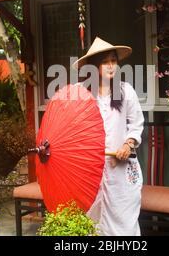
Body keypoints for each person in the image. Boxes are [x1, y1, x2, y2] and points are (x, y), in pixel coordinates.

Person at [72, 36, 144, 236]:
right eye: (105, 62)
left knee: (123, 221)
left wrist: (128, 145)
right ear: (94, 67)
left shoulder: (125, 91)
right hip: (90, 169)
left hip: (119, 166)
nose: (111, 66)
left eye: (114, 60)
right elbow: (74, 128)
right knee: (91, 218)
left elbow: (136, 123)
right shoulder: (82, 94)